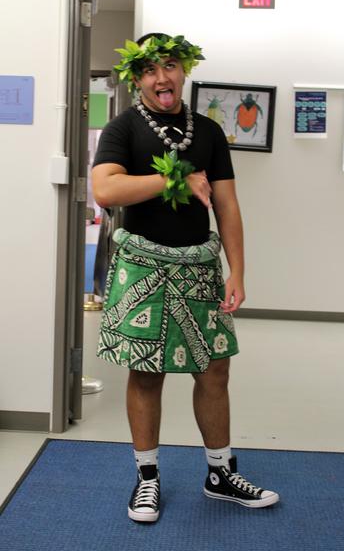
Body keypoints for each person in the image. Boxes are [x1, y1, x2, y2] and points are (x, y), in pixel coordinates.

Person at [92, 33, 279, 523]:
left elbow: (227, 204)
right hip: (144, 267)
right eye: (151, 70)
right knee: (146, 371)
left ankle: (219, 473)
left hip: (200, 267)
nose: (162, 77)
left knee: (214, 370)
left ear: (183, 72)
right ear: (137, 79)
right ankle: (147, 479)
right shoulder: (123, 128)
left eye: (170, 67)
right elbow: (106, 190)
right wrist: (173, 178)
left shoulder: (210, 133)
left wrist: (238, 269)